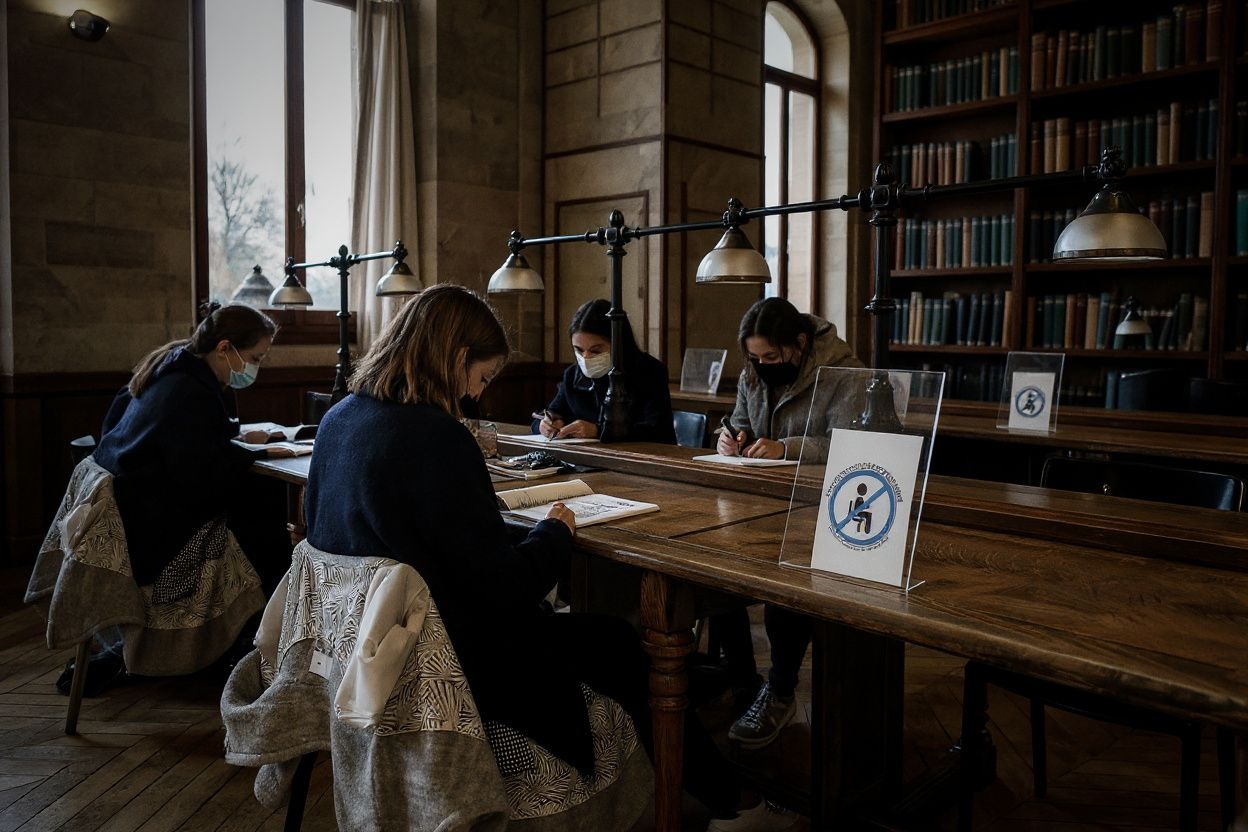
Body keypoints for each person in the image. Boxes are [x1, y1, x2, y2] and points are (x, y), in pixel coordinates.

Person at [305, 284, 796, 832]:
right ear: (455, 358)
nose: (475, 395)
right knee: (618, 645)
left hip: (365, 646)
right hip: (455, 661)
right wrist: (553, 535)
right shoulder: (436, 437)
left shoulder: (340, 418)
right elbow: (507, 587)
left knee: (602, 640)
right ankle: (728, 801)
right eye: (482, 377)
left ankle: (709, 789)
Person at [85, 302, 295, 691]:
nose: (255, 367)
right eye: (254, 357)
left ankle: (238, 648)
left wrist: (236, 440)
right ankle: (249, 656)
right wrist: (253, 454)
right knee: (269, 535)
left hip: (132, 514)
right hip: (155, 531)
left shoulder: (171, 368)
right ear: (224, 348)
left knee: (260, 518)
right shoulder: (190, 390)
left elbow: (181, 443)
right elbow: (202, 476)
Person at [718, 297, 865, 751]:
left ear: (800, 343)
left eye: (771, 357)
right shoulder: (752, 373)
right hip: (761, 505)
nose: (762, 367)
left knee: (788, 589)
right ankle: (744, 682)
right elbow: (741, 425)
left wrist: (788, 447)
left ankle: (780, 690)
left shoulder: (847, 375)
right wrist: (730, 438)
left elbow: (859, 446)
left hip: (829, 513)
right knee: (714, 572)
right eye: (755, 358)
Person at [533, 298, 676, 443]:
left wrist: (598, 431)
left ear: (619, 343)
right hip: (583, 459)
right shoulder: (572, 375)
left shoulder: (649, 371)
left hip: (638, 459)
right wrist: (545, 425)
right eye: (579, 350)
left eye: (595, 351)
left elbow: (659, 432)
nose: (585, 357)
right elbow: (551, 414)